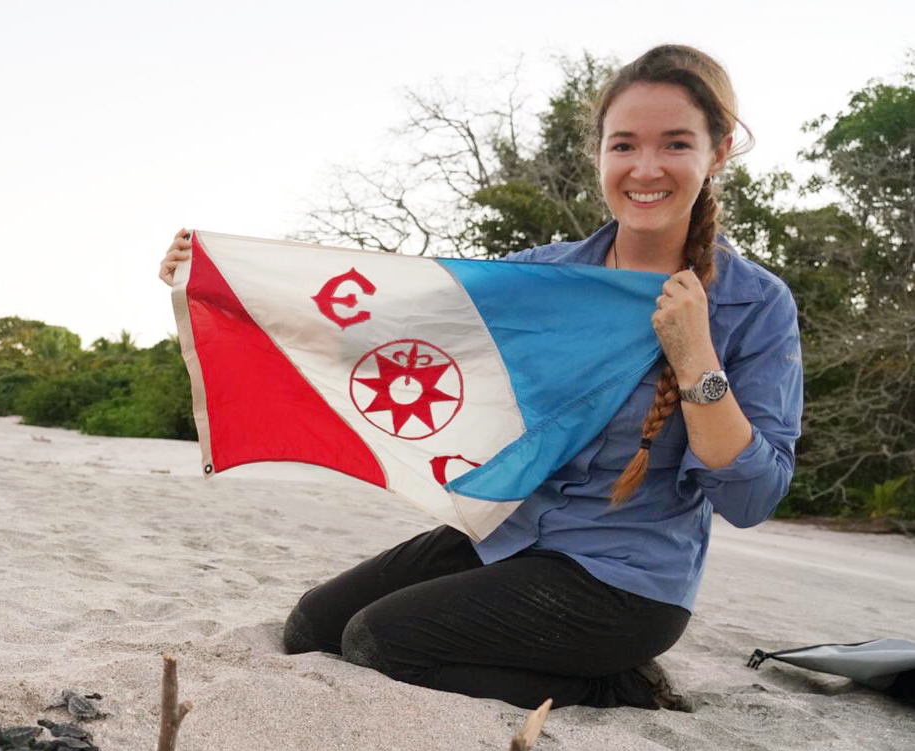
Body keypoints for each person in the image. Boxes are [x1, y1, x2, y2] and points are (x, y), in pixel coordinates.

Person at [159, 44, 803, 713]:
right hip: (509, 537)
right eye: (623, 146)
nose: (645, 168)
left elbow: (751, 499)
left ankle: (619, 686)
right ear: (599, 155)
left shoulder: (755, 307)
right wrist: (217, 284)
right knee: (314, 628)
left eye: (675, 144)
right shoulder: (544, 276)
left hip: (624, 580)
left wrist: (697, 359)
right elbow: (381, 328)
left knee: (383, 643)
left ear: (719, 152)